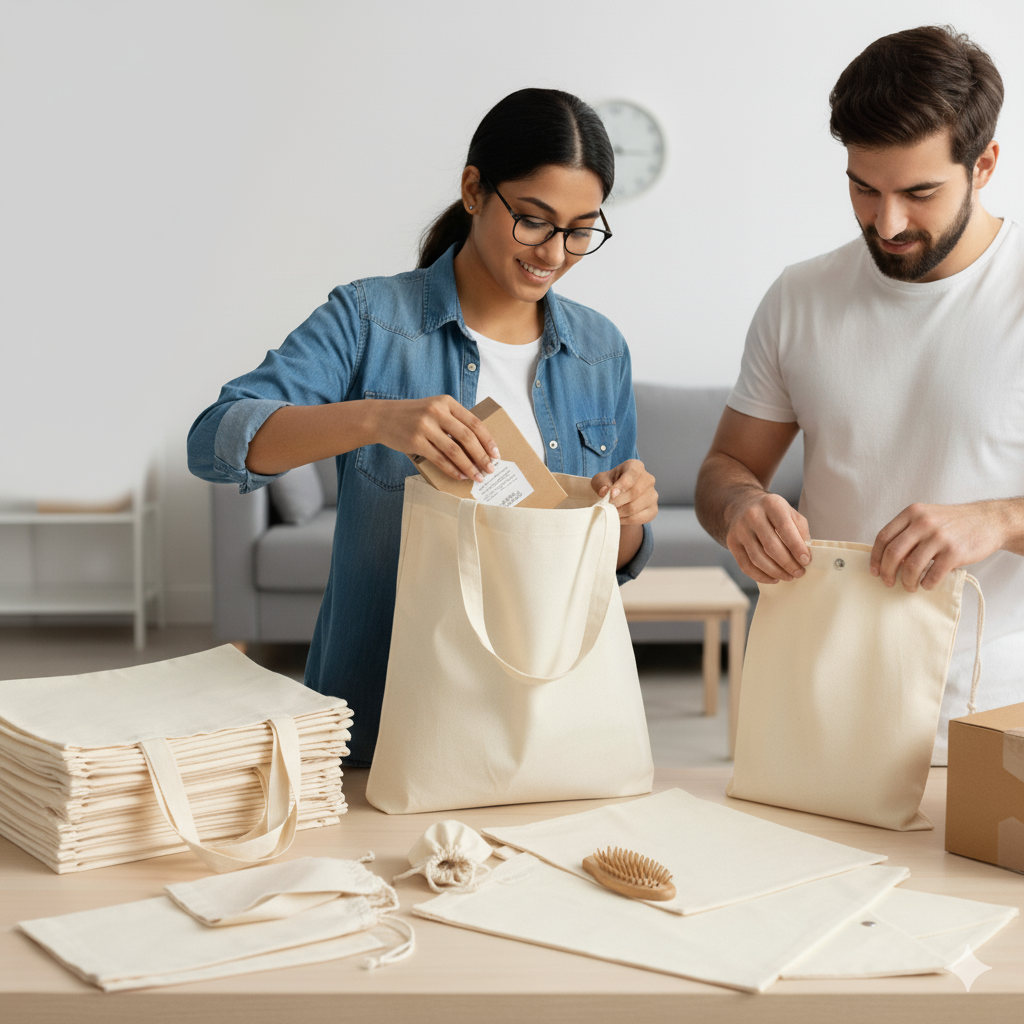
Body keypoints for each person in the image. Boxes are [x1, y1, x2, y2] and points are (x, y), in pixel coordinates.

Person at [188, 88, 658, 766]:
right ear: (474, 190)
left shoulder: (600, 350)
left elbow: (608, 561)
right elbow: (214, 440)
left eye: (581, 230)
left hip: (546, 724)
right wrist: (376, 418)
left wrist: (628, 512)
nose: (555, 253)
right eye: (533, 220)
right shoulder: (370, 319)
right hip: (385, 718)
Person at [695, 25, 1024, 764]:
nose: (888, 222)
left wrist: (1000, 520)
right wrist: (742, 508)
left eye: (919, 193)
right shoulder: (800, 296)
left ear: (984, 165)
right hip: (814, 707)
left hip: (989, 718)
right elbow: (724, 469)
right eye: (863, 188)